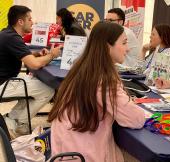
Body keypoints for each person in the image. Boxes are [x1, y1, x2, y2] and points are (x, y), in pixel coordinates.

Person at [48, 21, 145, 162]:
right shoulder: (103, 79)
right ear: (107, 47)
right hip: (83, 152)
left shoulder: (83, 67)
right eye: (124, 43)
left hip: (68, 147)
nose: (128, 49)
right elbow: (136, 119)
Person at [0, 5, 62, 135]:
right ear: (20, 22)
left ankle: (12, 121)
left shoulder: (7, 34)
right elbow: (33, 65)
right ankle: (17, 123)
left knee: (34, 86)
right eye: (29, 19)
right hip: (3, 84)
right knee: (47, 90)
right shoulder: (13, 38)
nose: (32, 22)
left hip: (6, 80)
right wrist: (51, 55)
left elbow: (25, 56)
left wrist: (39, 54)